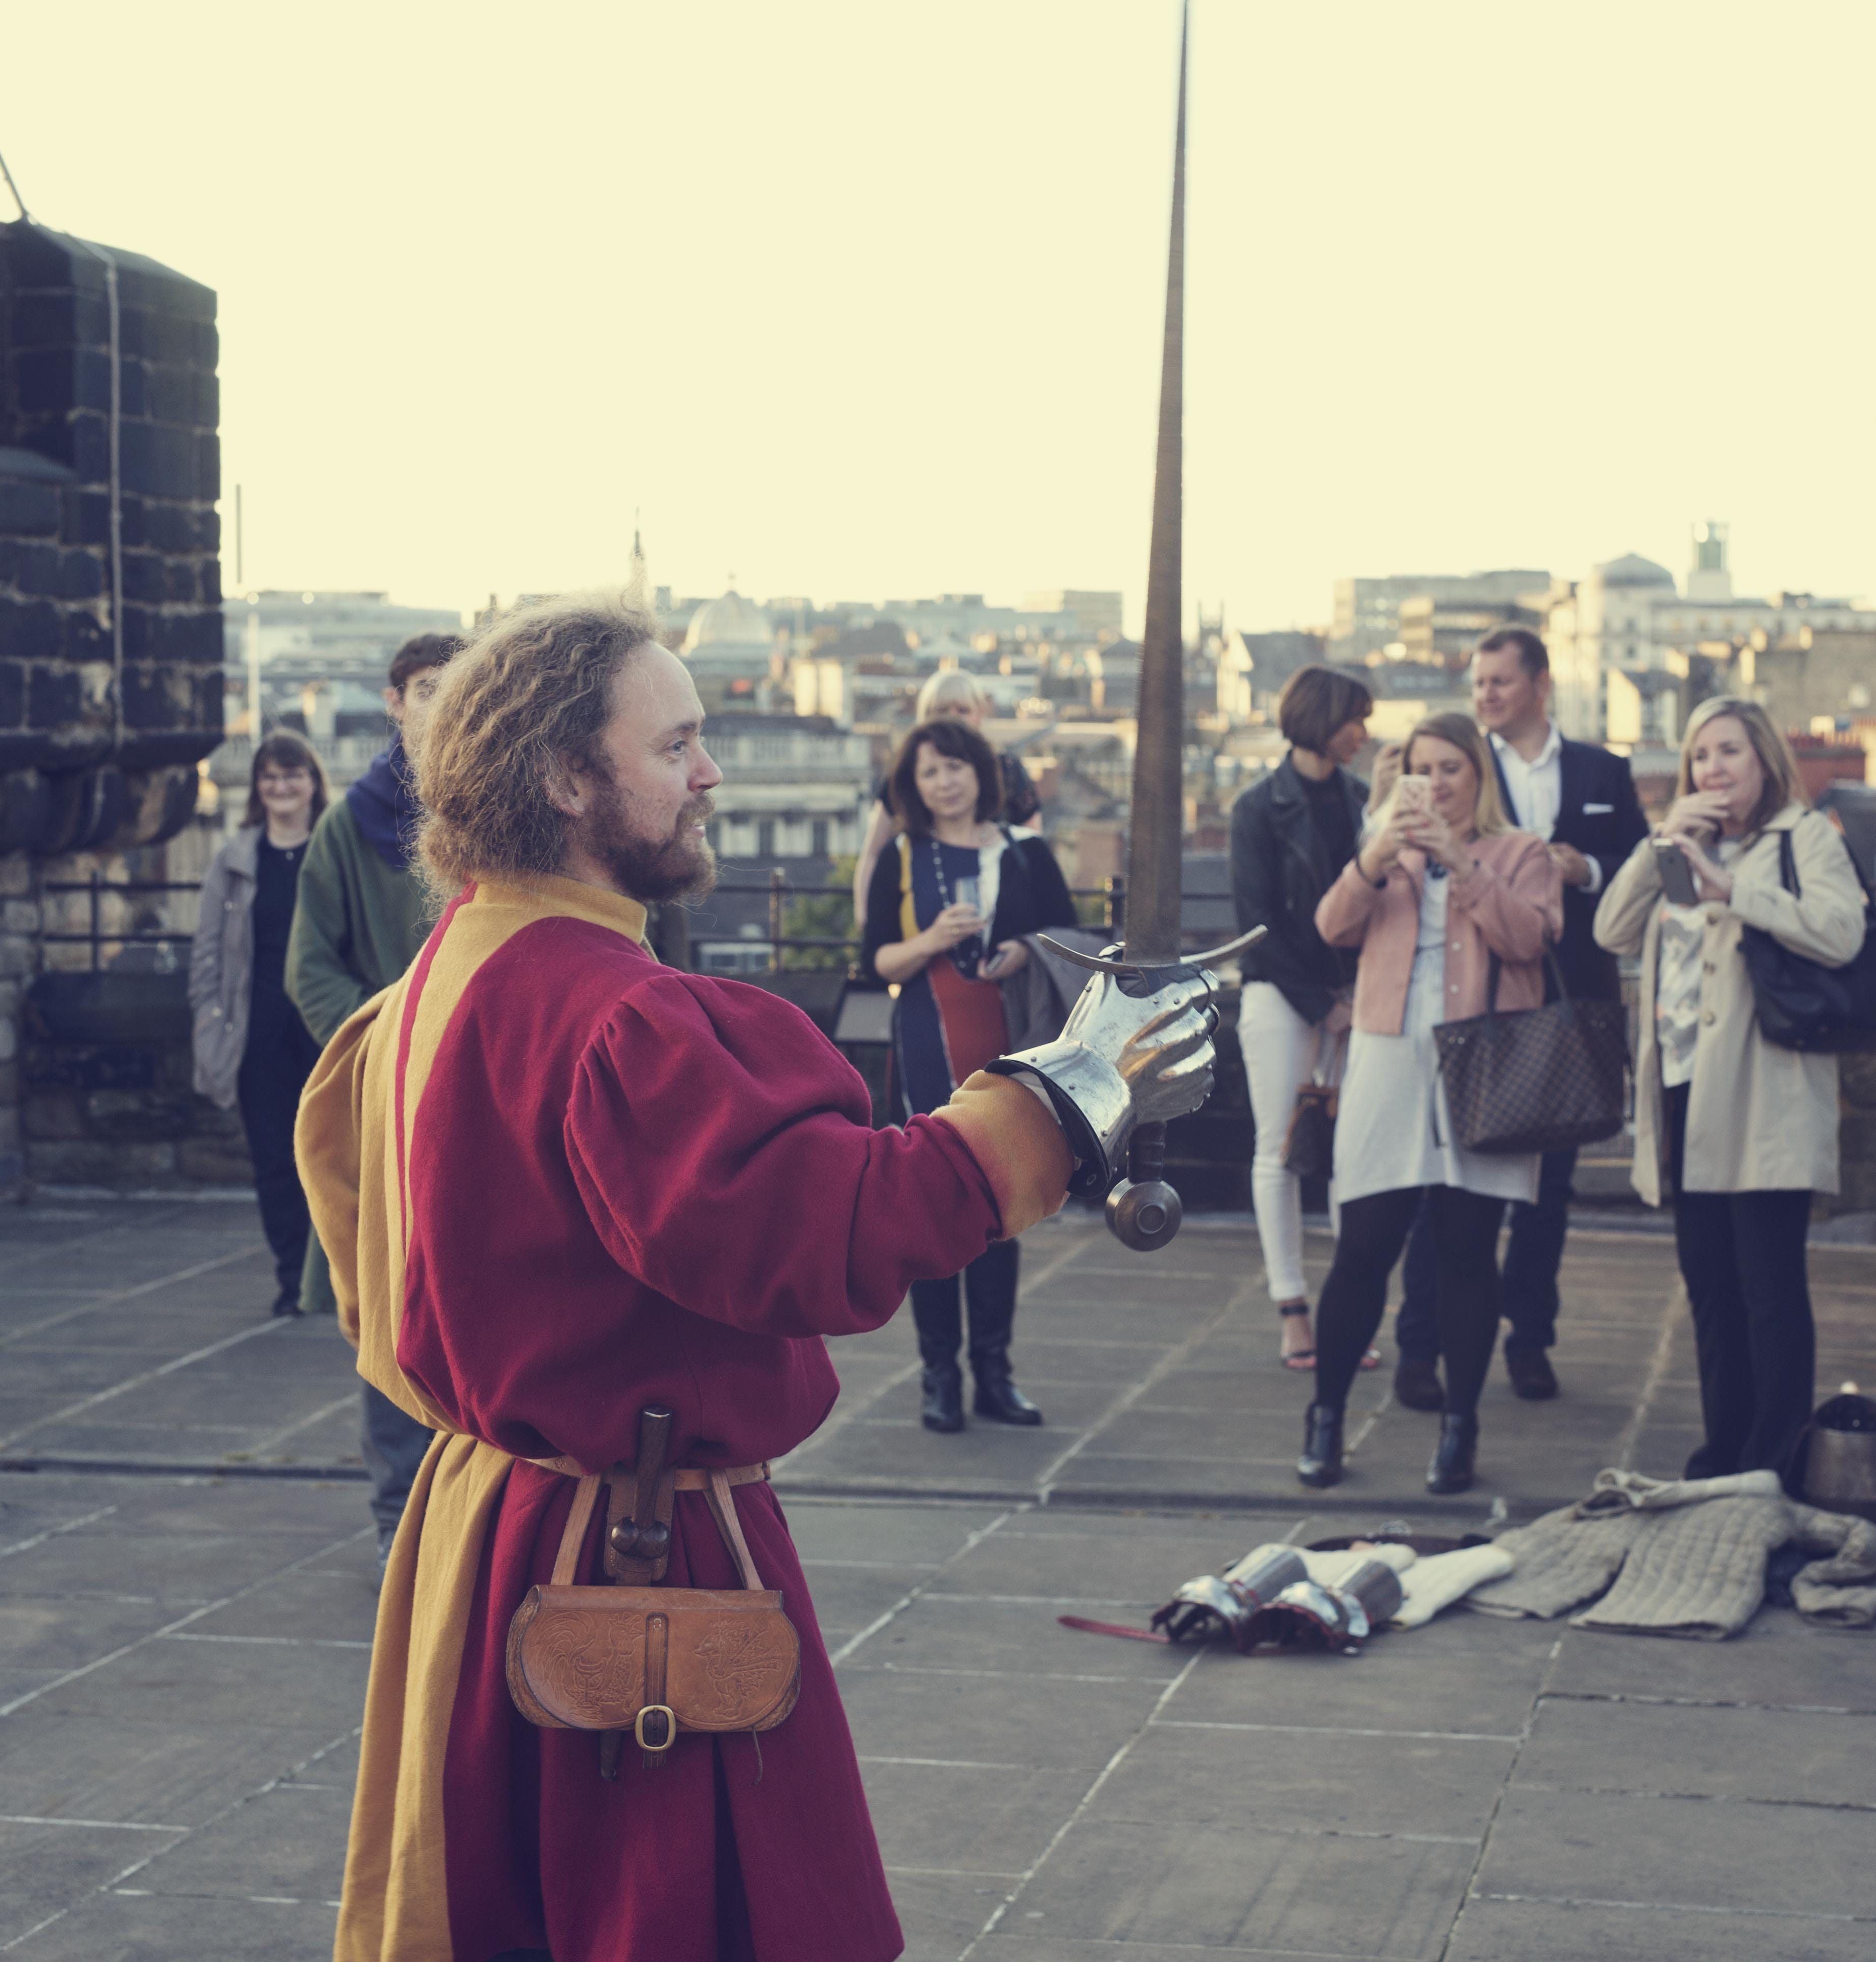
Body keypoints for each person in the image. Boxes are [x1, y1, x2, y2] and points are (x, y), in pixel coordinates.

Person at [295, 597, 1213, 1962]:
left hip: (489, 1522)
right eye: (675, 745)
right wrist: (1064, 1096)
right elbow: (827, 1229)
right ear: (564, 775)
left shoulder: (443, 973)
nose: (708, 773)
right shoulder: (617, 1014)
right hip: (621, 1547)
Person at [1595, 696, 1865, 1481]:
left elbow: (1842, 932)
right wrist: (1661, 848)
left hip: (1766, 1093)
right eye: (1701, 755)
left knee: (1770, 1289)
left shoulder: (1803, 838)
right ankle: (1727, 1448)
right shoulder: (1681, 844)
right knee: (1710, 1287)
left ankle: (1777, 1459)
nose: (1713, 768)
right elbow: (1610, 932)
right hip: (1685, 1089)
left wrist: (1729, 890)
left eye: (1730, 753)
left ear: (1765, 762)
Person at [1295, 710, 1562, 1496]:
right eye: (1422, 768)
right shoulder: (1388, 854)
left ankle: (1460, 1429)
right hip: (1388, 1060)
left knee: (1468, 1256)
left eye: (1452, 768)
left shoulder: (1523, 853)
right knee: (1363, 1249)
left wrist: (1463, 865)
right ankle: (1326, 1416)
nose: (1438, 783)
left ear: (1479, 774)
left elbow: (1529, 941)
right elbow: (1330, 928)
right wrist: (1378, 853)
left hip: (1486, 1065)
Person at [1393, 627, 1648, 1407]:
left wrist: (1590, 869)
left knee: (1548, 1188)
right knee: (1443, 1183)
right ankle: (1419, 1348)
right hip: (1477, 1002)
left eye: (1500, 683)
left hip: (1573, 1002)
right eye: (1479, 685)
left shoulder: (1605, 769)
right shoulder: (1463, 770)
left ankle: (1530, 1339)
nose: (1486, 697)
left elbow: (1639, 860)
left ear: (1541, 685)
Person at [285, 629, 463, 1567]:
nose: (441, 702)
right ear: (396, 702)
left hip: (489, 1097)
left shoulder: (505, 807)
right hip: (393, 1098)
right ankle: (402, 1526)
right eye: (426, 688)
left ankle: (473, 1521)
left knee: (482, 1303)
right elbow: (309, 966)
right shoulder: (351, 826)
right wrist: (386, 1036)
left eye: (458, 686)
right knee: (392, 1305)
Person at [861, 715, 1081, 1434]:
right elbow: (875, 964)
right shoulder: (901, 854)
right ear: (913, 786)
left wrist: (1021, 950)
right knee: (929, 1205)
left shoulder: (1026, 853)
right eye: (929, 772)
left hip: (1007, 1042)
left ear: (980, 773)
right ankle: (938, 1377)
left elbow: (1073, 941)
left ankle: (995, 1372)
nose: (945, 782)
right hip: (926, 1040)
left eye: (955, 767)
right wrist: (930, 940)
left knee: (999, 1206)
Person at [1228, 664, 1377, 1370]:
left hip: (1354, 999)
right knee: (1280, 1152)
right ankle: (1293, 1312)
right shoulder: (1258, 807)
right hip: (1282, 999)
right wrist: (1327, 1005)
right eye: (1356, 719)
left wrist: (1355, 1001)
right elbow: (1257, 927)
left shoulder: (1363, 801)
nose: (1364, 733)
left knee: (1355, 1157)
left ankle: (1351, 1314)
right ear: (1323, 718)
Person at [189, 733, 330, 1317]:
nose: (281, 787)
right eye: (270, 777)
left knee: (332, 1159)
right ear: (257, 788)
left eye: (292, 775)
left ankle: (336, 1280)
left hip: (323, 1028)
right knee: (275, 1161)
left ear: (313, 782)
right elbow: (208, 951)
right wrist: (207, 1020)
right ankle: (293, 1280)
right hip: (258, 1029)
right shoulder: (237, 857)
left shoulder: (333, 848)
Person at [848, 667, 1041, 930]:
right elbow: (872, 852)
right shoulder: (905, 773)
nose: (953, 719)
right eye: (941, 711)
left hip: (997, 908)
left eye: (962, 710)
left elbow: (1031, 850)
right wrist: (865, 915)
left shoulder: (1007, 770)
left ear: (981, 714)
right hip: (921, 903)